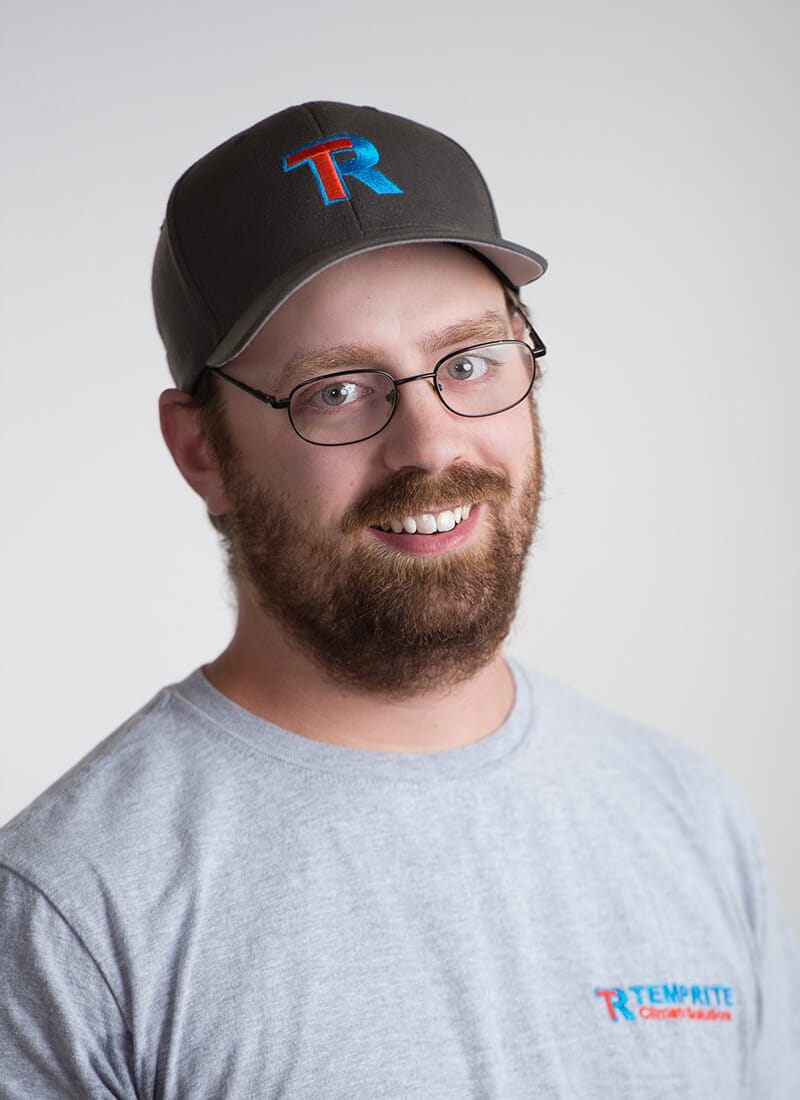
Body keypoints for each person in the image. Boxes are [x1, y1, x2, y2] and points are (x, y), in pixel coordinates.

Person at [0, 101, 797, 1098]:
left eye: (467, 362)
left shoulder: (687, 815)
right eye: (334, 388)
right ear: (202, 450)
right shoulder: (70, 912)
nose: (428, 445)